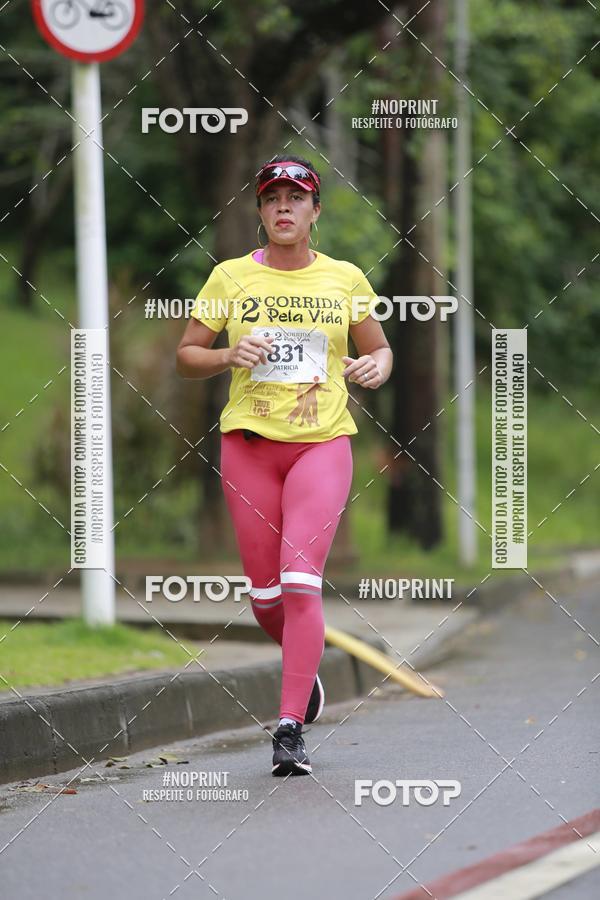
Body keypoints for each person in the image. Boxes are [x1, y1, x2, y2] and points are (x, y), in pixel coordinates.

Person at [176, 155, 393, 776]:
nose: (284, 208)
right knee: (267, 597)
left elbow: (378, 350)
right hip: (248, 447)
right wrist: (226, 355)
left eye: (296, 198)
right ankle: (308, 673)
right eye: (272, 198)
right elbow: (187, 354)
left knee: (301, 584)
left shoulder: (345, 279)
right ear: (260, 210)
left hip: (322, 445)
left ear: (315, 212)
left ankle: (289, 725)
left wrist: (375, 367)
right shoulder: (230, 278)